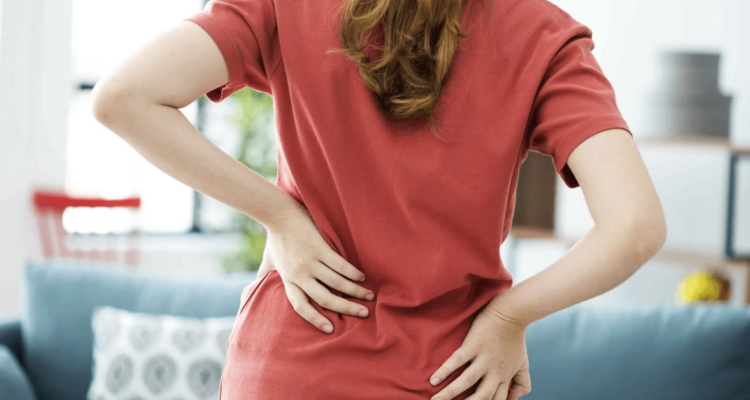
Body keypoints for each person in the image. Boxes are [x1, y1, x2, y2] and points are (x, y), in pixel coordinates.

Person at [90, 0, 667, 398]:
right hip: (448, 376)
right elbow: (634, 227)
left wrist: (280, 216)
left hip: (289, 367)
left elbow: (123, 97)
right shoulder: (545, 37)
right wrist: (508, 318)